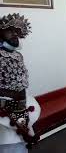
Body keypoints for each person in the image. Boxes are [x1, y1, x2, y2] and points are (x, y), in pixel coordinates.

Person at [0, 13, 41, 152]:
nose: (14, 34)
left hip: (22, 107)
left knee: (22, 145)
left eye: (16, 31)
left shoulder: (18, 55)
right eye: (9, 31)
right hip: (4, 112)